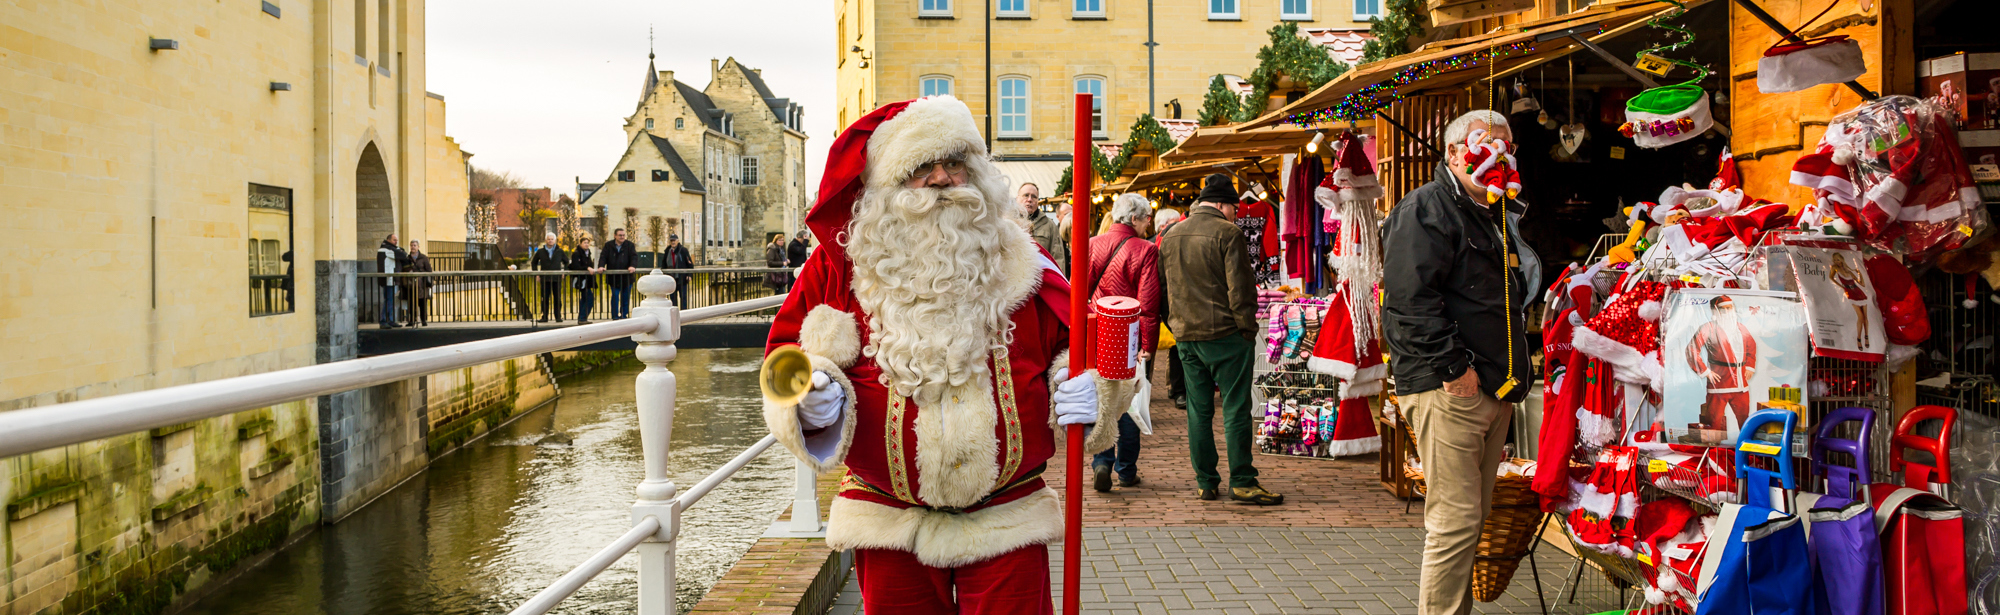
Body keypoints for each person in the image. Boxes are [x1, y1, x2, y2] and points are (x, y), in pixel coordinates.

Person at [760, 96, 1130, 615]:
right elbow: (782, 359)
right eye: (919, 168)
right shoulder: (837, 265)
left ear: (976, 172)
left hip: (1008, 517)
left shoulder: (1025, 261)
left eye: (954, 163)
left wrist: (1085, 384)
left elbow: (1081, 345)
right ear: (885, 184)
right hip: (889, 521)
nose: (940, 179)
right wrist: (809, 399)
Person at [1380, 109, 1540, 615]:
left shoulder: (1493, 212)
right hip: (1450, 388)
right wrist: (1454, 371)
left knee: (1473, 519)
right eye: (1485, 143)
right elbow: (1408, 302)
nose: (1499, 154)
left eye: (1507, 146)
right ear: (1453, 152)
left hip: (1492, 387)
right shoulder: (1426, 209)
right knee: (1454, 523)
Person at [1159, 174, 1283, 506]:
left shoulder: (1171, 235)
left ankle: (1206, 481)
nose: (1236, 213)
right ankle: (1242, 480)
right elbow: (1240, 288)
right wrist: (1247, 329)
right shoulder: (1228, 233)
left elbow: (1162, 288)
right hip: (1226, 334)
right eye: (1233, 207)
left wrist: (1174, 325)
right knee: (1235, 408)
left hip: (1187, 334)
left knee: (1198, 411)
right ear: (1219, 204)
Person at [1089, 193, 1163, 492]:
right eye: (1147, 218)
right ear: (1134, 218)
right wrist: (1149, 344)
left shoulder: (1092, 244)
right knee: (1130, 400)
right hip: (1128, 333)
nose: (1149, 224)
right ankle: (1126, 468)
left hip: (1096, 331)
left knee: (1101, 398)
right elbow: (1148, 303)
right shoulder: (1145, 249)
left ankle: (1102, 460)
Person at [1685, 295, 1758, 432]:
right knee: (1714, 423)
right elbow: (1691, 350)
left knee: (1745, 422)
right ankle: (1713, 450)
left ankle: (1747, 447)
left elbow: (1751, 346)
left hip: (1741, 384)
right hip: (1719, 384)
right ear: (1715, 311)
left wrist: (1750, 366)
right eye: (1723, 309)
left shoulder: (1741, 328)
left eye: (1729, 308)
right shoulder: (1708, 328)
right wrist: (1705, 371)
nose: (1727, 312)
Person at [1152, 208, 1186, 409]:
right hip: (1168, 302)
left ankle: (1178, 389)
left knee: (1178, 347)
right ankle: (1178, 389)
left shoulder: (1181, 240)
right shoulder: (1154, 244)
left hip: (1180, 299)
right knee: (1175, 348)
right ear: (1162, 226)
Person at [1022, 182, 1067, 270]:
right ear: (1017, 198)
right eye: (1026, 195)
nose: (1029, 199)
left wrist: (1058, 281)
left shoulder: (1049, 225)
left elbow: (1058, 257)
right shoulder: (1008, 223)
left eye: (1034, 197)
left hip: (1041, 278)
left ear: (1037, 200)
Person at [600, 228, 638, 319]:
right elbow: (603, 257)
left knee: (625, 297)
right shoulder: (608, 245)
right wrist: (601, 266)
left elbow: (634, 257)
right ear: (615, 236)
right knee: (615, 296)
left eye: (623, 235)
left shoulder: (630, 245)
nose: (622, 237)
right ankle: (615, 315)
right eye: (620, 235)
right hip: (614, 277)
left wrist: (632, 266)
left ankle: (624, 315)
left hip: (627, 277)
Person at [530, 233, 567, 323]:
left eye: (552, 239)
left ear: (555, 240)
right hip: (545, 278)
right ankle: (544, 317)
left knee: (557, 298)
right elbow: (533, 262)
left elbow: (567, 262)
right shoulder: (540, 251)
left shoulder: (560, 251)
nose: (550, 240)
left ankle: (558, 316)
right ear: (546, 240)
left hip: (556, 278)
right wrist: (537, 274)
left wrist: (564, 273)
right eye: (549, 239)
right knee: (545, 298)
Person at [568, 234, 603, 325]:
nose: (586, 244)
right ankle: (583, 318)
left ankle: (582, 318)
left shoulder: (587, 253)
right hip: (581, 280)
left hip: (586, 281)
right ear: (580, 244)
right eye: (585, 243)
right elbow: (575, 266)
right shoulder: (577, 254)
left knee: (585, 298)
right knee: (589, 298)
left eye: (588, 243)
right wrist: (587, 268)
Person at [376, 233, 408, 329]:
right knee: (388, 300)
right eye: (394, 240)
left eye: (396, 240)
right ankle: (384, 321)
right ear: (388, 240)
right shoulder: (385, 249)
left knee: (390, 300)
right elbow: (403, 255)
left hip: (390, 279)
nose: (396, 242)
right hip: (388, 279)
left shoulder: (388, 249)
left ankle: (390, 320)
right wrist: (400, 250)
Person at [660, 233, 694, 308]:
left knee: (683, 298)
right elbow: (663, 265)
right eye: (671, 240)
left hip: (682, 279)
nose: (673, 242)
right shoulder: (667, 251)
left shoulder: (683, 250)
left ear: (678, 241)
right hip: (671, 279)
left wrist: (689, 275)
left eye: (674, 240)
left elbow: (690, 265)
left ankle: (684, 315)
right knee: (673, 299)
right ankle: (674, 315)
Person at [405, 240, 433, 326]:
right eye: (411, 245)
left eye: (414, 245)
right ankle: (411, 320)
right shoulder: (407, 258)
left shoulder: (424, 258)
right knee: (411, 303)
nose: (413, 247)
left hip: (422, 284)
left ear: (418, 247)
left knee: (422, 302)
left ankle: (423, 320)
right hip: (411, 284)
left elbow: (429, 270)